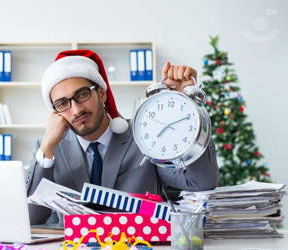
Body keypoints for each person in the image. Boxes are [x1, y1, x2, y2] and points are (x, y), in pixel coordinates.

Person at [26, 49, 219, 224]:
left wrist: (185, 107)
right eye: (62, 104)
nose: (76, 110)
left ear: (101, 94)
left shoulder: (143, 136)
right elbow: (32, 218)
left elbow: (201, 182)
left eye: (82, 95)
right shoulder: (49, 149)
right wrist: (47, 149)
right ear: (55, 112)